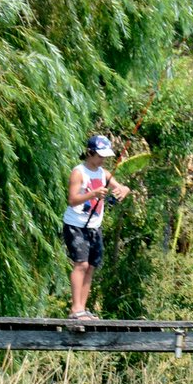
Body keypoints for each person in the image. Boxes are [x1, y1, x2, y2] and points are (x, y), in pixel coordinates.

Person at [63, 134, 130, 321]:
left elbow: (122, 187)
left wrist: (123, 190)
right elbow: (72, 199)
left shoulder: (104, 173)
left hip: (94, 227)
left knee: (91, 266)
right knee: (81, 264)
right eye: (100, 156)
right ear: (90, 153)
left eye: (105, 156)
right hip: (76, 225)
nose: (103, 159)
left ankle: (82, 309)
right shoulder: (79, 172)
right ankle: (75, 309)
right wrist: (92, 193)